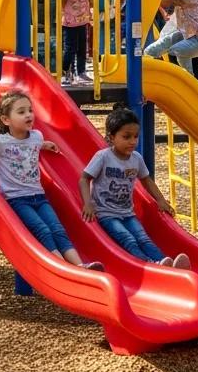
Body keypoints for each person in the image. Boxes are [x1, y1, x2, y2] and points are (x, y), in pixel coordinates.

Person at [0, 90, 102, 270]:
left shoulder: (36, 136)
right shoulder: (0, 142)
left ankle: (80, 265)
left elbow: (32, 145)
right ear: (6, 120)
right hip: (16, 199)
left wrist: (45, 145)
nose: (28, 115)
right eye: (21, 112)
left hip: (39, 196)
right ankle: (62, 267)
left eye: (30, 110)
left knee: (58, 229)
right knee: (42, 230)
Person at [80, 105, 191, 269]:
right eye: (126, 137)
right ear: (111, 137)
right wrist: (88, 203)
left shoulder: (136, 159)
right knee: (128, 239)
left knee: (143, 238)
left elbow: (147, 180)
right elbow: (84, 178)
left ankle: (165, 263)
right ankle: (150, 265)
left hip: (127, 213)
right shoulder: (103, 157)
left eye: (135, 137)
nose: (132, 141)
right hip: (107, 214)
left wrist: (161, 200)